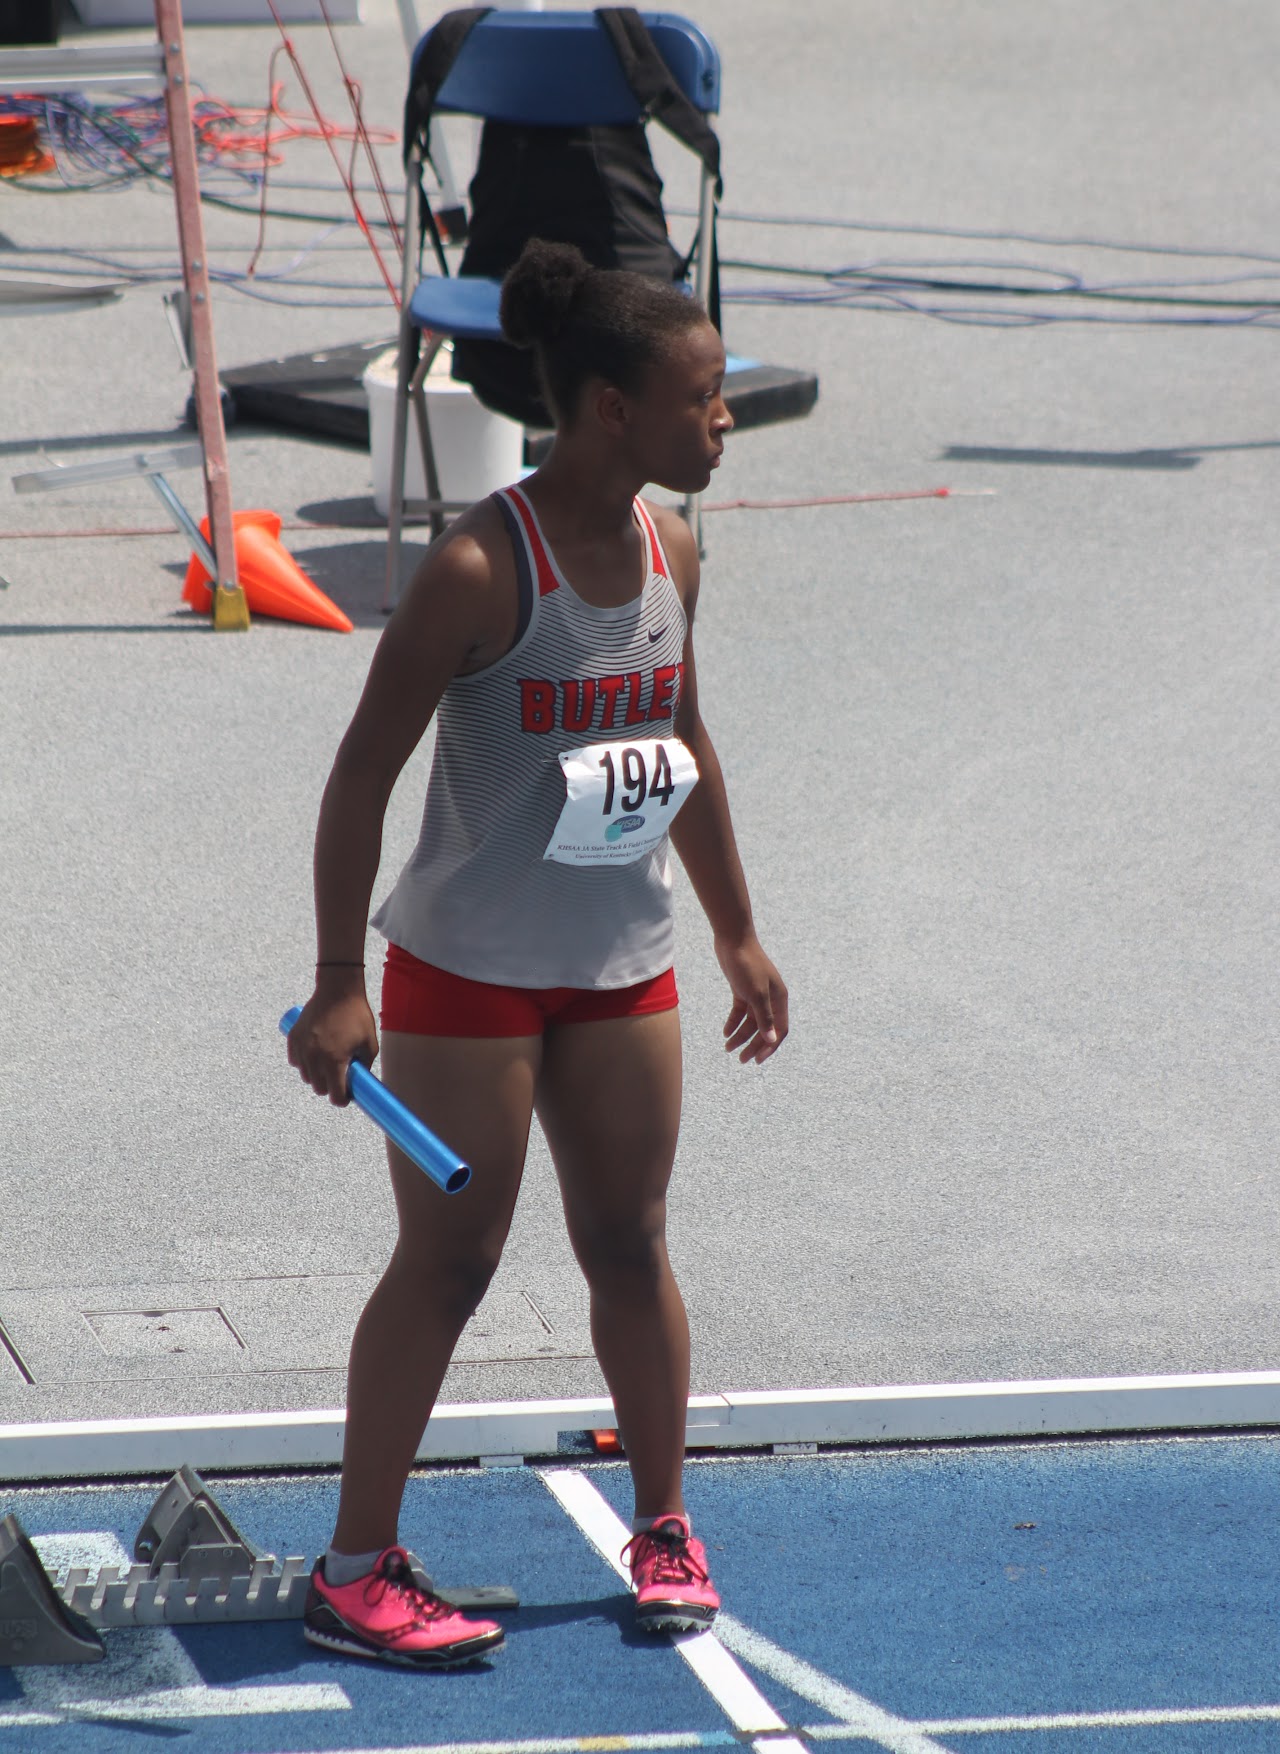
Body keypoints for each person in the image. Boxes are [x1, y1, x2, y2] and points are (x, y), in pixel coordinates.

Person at [286, 238, 788, 1670]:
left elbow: (681, 741)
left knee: (630, 1241)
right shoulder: (470, 567)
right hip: (466, 973)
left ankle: (668, 1521)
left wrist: (739, 930)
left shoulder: (673, 549)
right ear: (612, 407)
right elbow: (357, 781)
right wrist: (338, 979)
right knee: (451, 1259)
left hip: (623, 961)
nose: (724, 421)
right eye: (704, 397)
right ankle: (355, 1566)